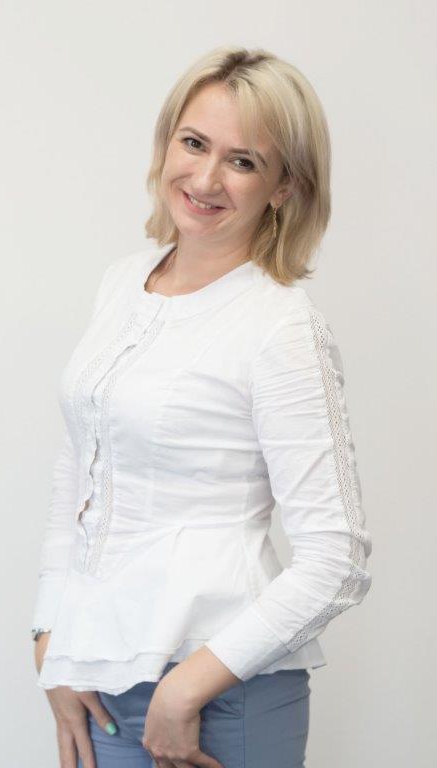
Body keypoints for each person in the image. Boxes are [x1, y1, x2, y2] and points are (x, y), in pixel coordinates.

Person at [31, 45, 373, 768]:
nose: (206, 178)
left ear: (284, 185)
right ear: (166, 142)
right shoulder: (123, 283)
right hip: (96, 677)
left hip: (219, 696)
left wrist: (187, 688)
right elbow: (79, 469)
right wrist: (51, 640)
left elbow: (337, 558)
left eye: (243, 161)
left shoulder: (280, 327)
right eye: (193, 143)